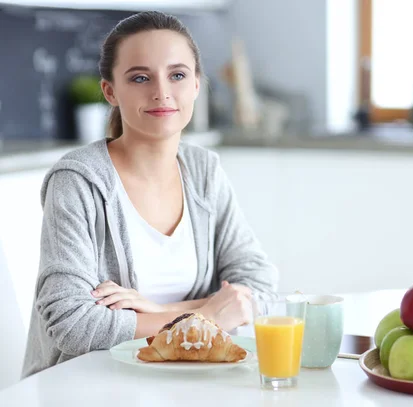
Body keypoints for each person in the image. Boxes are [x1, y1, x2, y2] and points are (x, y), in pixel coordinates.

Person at [22, 11, 277, 378]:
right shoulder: (78, 181)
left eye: (177, 75)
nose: (161, 92)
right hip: (85, 387)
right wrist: (204, 315)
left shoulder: (204, 171)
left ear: (195, 85)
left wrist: (154, 309)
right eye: (140, 77)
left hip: (189, 384)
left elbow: (259, 288)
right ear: (110, 91)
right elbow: (72, 324)